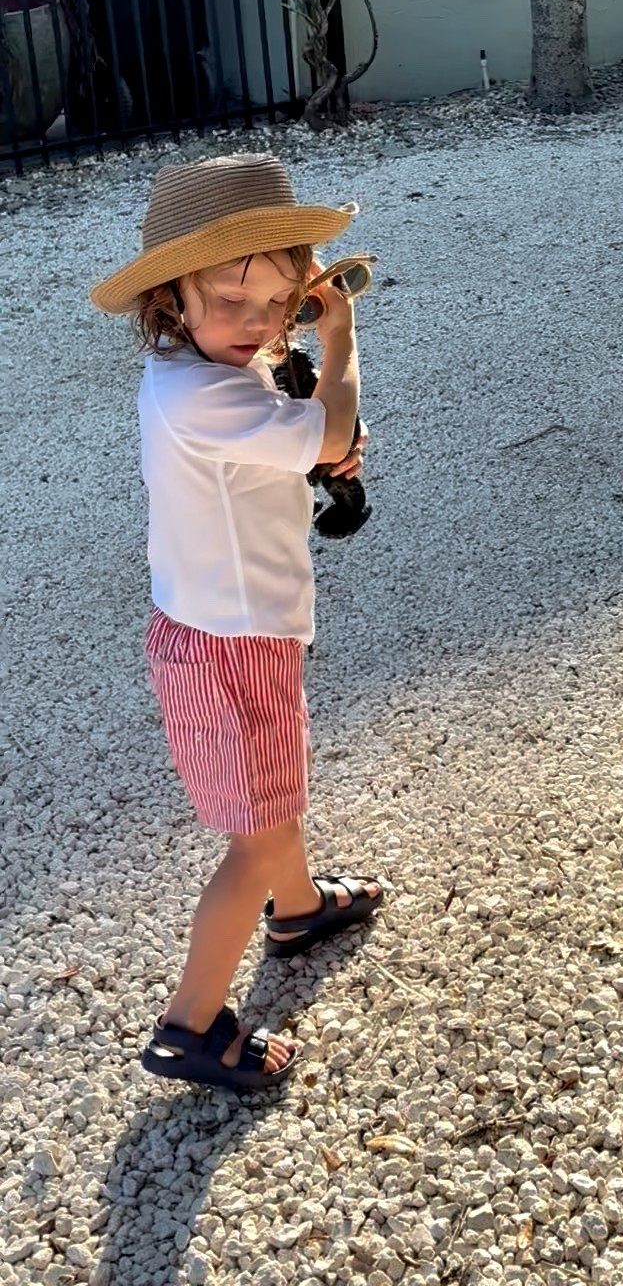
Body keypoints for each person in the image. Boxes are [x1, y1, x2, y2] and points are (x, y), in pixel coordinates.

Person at [90, 153, 384, 1094]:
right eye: (229, 302)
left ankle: (294, 910)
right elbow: (332, 435)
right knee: (254, 832)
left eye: (278, 302)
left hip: (235, 628)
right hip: (230, 645)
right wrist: (339, 347)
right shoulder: (201, 393)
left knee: (273, 787)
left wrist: (302, 397)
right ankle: (190, 1024)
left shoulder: (206, 365)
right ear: (171, 296)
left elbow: (297, 435)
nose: (254, 325)